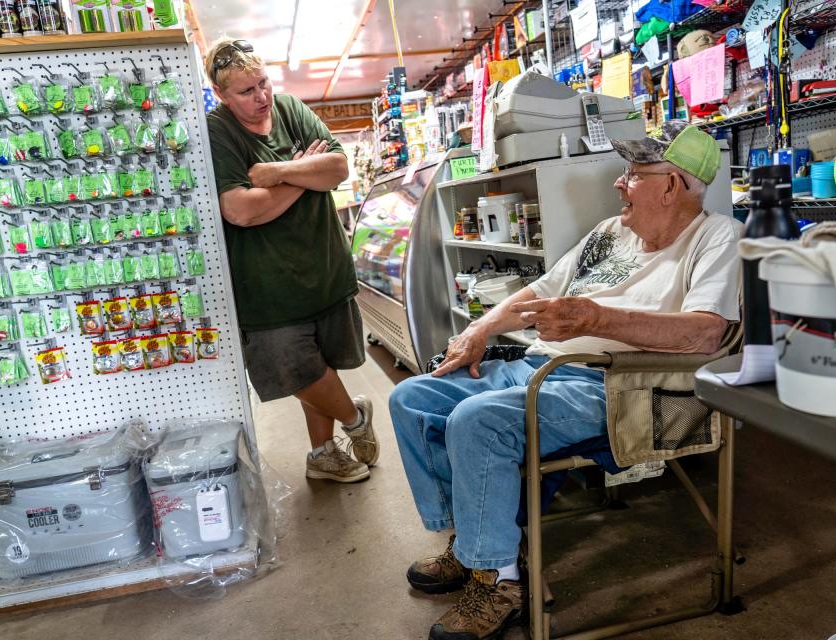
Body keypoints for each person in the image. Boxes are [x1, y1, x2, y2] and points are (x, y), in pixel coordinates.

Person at [389, 122, 742, 640]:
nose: (618, 184)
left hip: (615, 386)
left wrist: (595, 320)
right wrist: (482, 328)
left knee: (478, 421)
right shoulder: (609, 234)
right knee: (411, 398)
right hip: (542, 366)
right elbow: (539, 291)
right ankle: (473, 542)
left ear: (672, 186)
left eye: (633, 175)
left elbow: (707, 334)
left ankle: (499, 579)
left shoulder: (716, 237)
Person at [204, 38, 377, 483]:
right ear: (222, 94)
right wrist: (305, 175)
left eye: (263, 83)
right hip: (269, 290)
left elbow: (338, 169)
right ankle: (355, 419)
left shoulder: (290, 109)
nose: (261, 97)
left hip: (325, 271)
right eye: (246, 91)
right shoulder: (219, 130)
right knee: (298, 371)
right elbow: (240, 210)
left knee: (322, 365)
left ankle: (322, 455)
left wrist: (278, 173)